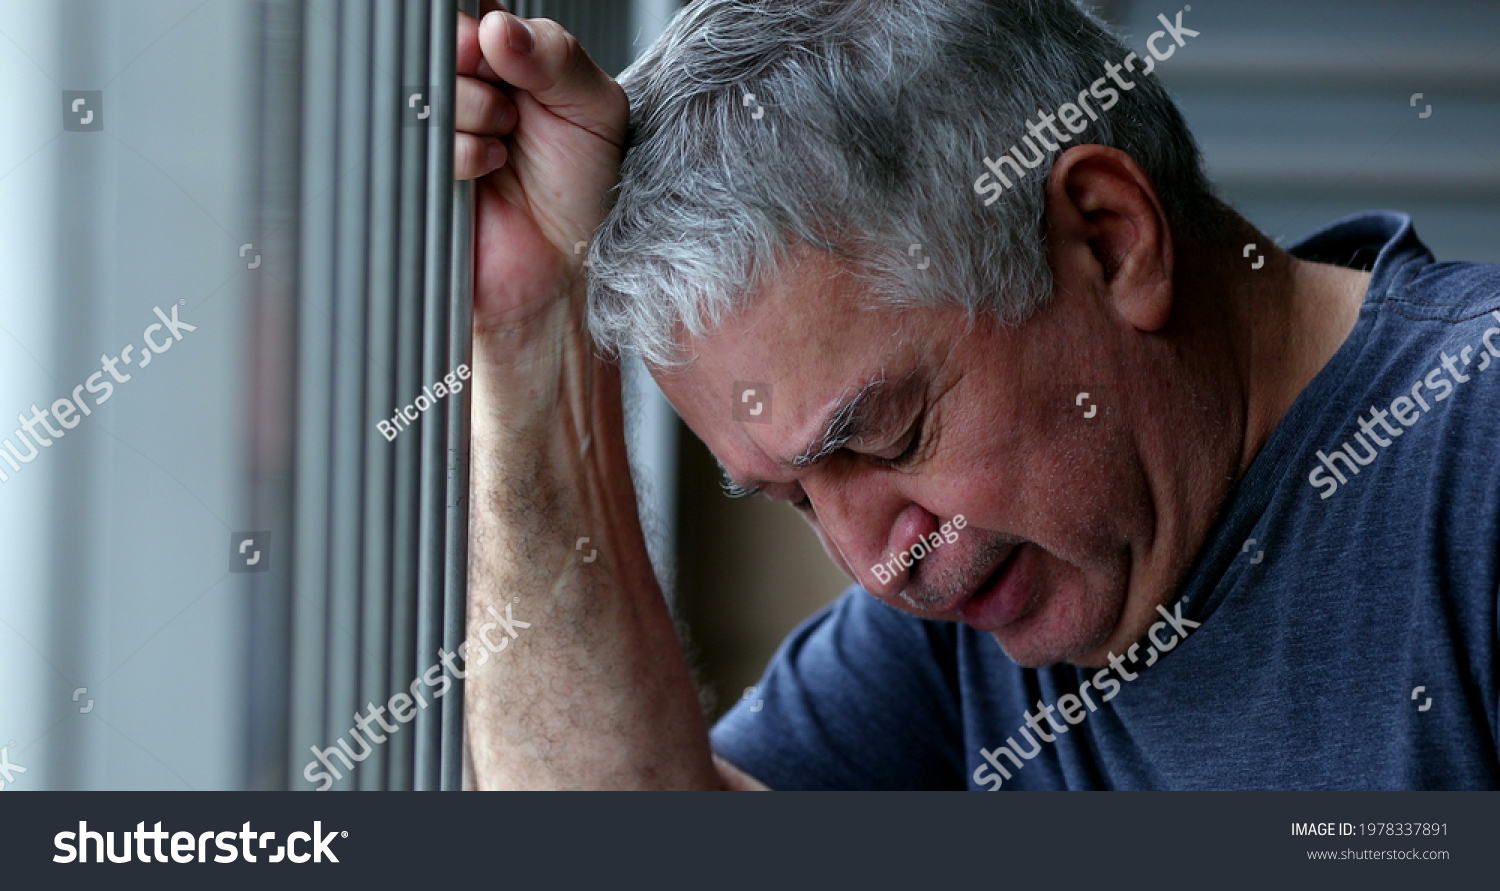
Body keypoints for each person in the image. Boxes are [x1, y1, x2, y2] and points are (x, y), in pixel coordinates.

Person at [452, 0, 1500, 790]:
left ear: (1108, 236)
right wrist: (533, 329)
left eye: (888, 433)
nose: (877, 567)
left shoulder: (1475, 456)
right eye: (798, 498)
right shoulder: (976, 611)